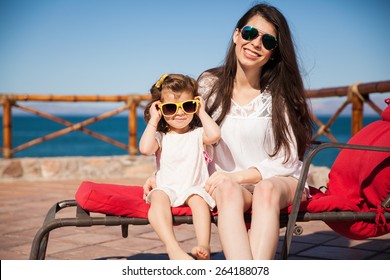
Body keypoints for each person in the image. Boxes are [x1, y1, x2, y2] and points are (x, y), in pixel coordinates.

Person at [143, 3, 314, 260]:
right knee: (226, 191)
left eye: (267, 40)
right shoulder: (209, 85)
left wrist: (238, 177)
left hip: (281, 179)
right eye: (249, 33)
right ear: (236, 35)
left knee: (264, 189)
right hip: (227, 184)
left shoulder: (280, 95)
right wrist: (163, 173)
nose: (256, 43)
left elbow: (286, 160)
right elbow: (187, 135)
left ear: (274, 52)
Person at [139, 74, 221, 260]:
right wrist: (153, 119)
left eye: (188, 106)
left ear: (195, 105)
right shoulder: (161, 137)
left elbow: (215, 135)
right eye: (170, 108)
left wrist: (202, 112)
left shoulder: (198, 134)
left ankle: (203, 245)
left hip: (194, 188)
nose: (180, 113)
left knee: (199, 202)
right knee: (158, 196)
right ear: (160, 109)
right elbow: (144, 149)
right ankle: (173, 248)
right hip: (167, 189)